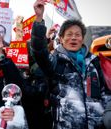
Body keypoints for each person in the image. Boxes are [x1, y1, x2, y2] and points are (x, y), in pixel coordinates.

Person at [30, 0, 111, 128]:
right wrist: (39, 19)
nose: (73, 38)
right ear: (61, 39)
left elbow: (106, 94)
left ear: (82, 39)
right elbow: (39, 51)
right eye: (69, 34)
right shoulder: (55, 60)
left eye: (77, 35)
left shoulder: (95, 62)